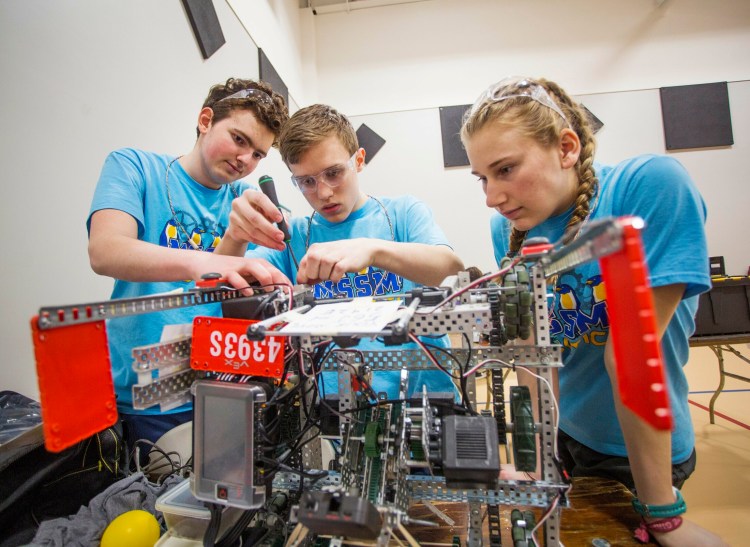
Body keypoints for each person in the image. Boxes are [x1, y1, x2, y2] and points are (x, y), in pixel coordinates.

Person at [460, 76, 727, 546]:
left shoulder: (651, 186)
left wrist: (662, 513)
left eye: (505, 169)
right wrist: (535, 466)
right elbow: (533, 363)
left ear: (567, 147)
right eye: (482, 177)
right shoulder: (510, 229)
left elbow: (629, 355)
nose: (491, 196)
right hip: (567, 437)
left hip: (638, 455)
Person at [87, 78, 291, 451]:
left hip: (223, 391)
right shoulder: (135, 167)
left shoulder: (246, 200)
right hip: (145, 398)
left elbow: (231, 287)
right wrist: (204, 262)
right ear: (205, 119)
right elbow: (106, 251)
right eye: (239, 139)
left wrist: (239, 239)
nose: (246, 159)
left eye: (259, 153)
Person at [217, 103, 464, 399]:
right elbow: (222, 287)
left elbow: (450, 267)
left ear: (358, 160)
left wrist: (372, 250)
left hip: (422, 400)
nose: (323, 193)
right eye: (307, 182)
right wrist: (235, 236)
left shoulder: (403, 214)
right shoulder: (292, 236)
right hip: (332, 412)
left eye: (334, 173)